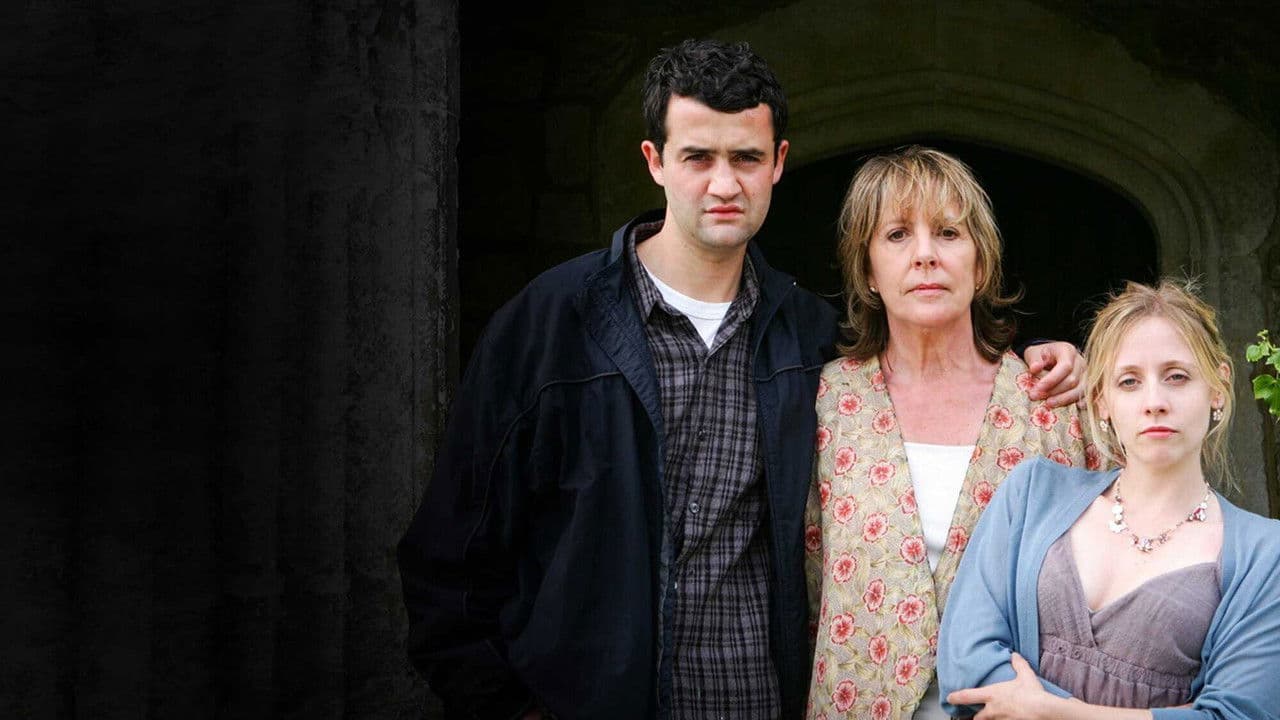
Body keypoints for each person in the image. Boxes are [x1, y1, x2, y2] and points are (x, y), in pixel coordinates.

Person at [398, 41, 1083, 719]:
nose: (724, 185)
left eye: (746, 158)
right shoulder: (552, 326)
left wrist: (1047, 361)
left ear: (778, 162)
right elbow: (448, 558)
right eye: (698, 157)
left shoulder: (805, 339)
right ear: (655, 161)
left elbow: (926, 349)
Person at [803, 146, 1099, 719]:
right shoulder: (827, 401)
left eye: (948, 233)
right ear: (868, 272)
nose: (925, 255)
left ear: (981, 265)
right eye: (896, 235)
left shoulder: (1052, 403)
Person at [938, 280, 1280, 719]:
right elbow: (965, 667)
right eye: (1129, 381)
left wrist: (1050, 712)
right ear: (1101, 400)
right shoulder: (1031, 495)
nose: (1154, 402)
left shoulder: (1264, 556)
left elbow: (1235, 715)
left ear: (1217, 387)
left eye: (1177, 376)